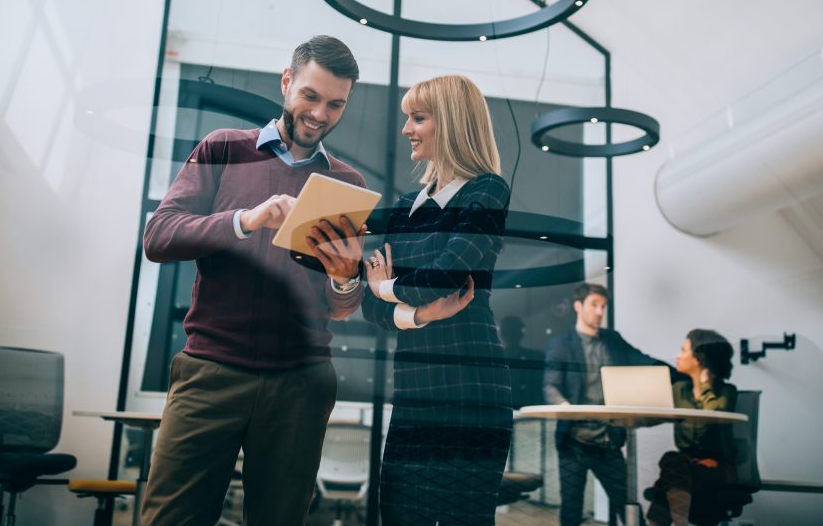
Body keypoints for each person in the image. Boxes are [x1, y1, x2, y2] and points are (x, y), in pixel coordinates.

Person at [140, 35, 368, 526]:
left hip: (301, 383)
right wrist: (246, 219)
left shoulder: (346, 185)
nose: (319, 114)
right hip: (211, 372)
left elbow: (340, 307)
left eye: (335, 104)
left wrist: (347, 278)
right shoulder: (223, 148)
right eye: (310, 96)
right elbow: (158, 236)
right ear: (287, 83)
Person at [360, 74, 513, 526]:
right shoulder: (407, 204)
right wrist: (420, 312)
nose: (407, 128)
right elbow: (372, 310)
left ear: (451, 123)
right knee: (399, 516)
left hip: (471, 391)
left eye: (418, 117)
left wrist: (388, 290)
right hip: (414, 391)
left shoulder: (487, 190)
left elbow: (444, 275)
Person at [544, 283, 672, 526]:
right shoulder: (561, 345)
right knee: (570, 512)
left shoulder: (612, 340)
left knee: (628, 507)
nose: (600, 312)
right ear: (578, 306)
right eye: (594, 305)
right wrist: (566, 407)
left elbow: (642, 360)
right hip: (573, 444)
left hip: (607, 442)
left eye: (603, 306)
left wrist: (677, 375)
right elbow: (550, 386)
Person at [647, 330, 738, 526]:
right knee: (673, 460)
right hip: (686, 464)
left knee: (666, 482)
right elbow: (655, 414)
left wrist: (705, 386)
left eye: (683, 350)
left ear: (698, 359)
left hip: (719, 466)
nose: (678, 356)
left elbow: (710, 418)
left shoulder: (727, 392)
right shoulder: (679, 390)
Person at [500, 315, 545, 408]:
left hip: (532, 409)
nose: (512, 334)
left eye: (514, 330)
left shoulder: (537, 356)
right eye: (510, 331)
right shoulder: (497, 358)